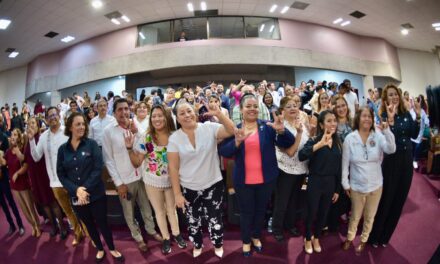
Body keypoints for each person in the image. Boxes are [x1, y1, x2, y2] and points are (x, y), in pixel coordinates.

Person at [219, 94, 294, 256]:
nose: (252, 109)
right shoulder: (235, 128)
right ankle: (246, 241)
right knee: (247, 213)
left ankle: (256, 236)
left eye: (255, 106)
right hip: (243, 181)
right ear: (241, 109)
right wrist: (237, 142)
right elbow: (224, 151)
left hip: (266, 180)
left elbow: (288, 142)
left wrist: (282, 131)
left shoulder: (268, 126)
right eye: (248, 106)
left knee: (260, 211)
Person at [168, 101, 235, 258]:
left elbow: (232, 131)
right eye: (182, 113)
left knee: (215, 218)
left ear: (195, 112)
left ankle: (217, 244)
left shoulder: (208, 128)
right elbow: (173, 168)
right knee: (193, 221)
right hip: (188, 187)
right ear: (177, 118)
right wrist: (177, 194)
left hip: (213, 184)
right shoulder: (174, 139)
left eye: (189, 111)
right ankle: (197, 244)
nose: (187, 115)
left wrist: (219, 114)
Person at [57, 112, 124, 262]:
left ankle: (112, 248)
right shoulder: (62, 150)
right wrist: (76, 190)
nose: (81, 127)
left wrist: (83, 189)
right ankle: (100, 248)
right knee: (88, 223)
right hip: (77, 197)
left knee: (102, 223)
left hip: (96, 194)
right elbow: (61, 174)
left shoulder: (91, 144)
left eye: (83, 124)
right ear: (70, 127)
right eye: (77, 124)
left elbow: (98, 168)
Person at [124, 105, 187, 255]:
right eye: (154, 116)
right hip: (152, 182)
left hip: (171, 181)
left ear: (166, 117)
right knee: (159, 212)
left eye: (160, 115)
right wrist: (129, 148)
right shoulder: (147, 137)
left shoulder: (175, 136)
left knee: (171, 210)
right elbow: (137, 162)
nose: (157, 119)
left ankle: (177, 234)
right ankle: (166, 237)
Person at [102, 98, 162, 252]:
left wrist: (137, 131)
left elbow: (147, 143)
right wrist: (118, 183)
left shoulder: (136, 126)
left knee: (146, 207)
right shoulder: (109, 131)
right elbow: (108, 160)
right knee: (129, 212)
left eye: (126, 109)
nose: (124, 112)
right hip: (125, 180)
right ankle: (138, 237)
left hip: (142, 175)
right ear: (114, 113)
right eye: (120, 110)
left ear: (130, 110)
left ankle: (151, 230)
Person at [368, 84, 422, 248]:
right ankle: (374, 236)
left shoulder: (407, 114)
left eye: (395, 94)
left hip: (406, 160)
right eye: (390, 95)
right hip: (392, 161)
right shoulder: (384, 115)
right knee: (386, 199)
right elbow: (385, 138)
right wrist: (390, 121)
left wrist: (418, 116)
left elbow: (413, 134)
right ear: (385, 99)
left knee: (399, 199)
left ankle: (385, 237)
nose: (394, 97)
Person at [341, 107, 396, 254]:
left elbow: (391, 149)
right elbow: (345, 164)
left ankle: (364, 240)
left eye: (369, 116)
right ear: (358, 118)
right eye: (364, 116)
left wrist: (387, 131)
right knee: (355, 216)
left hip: (376, 185)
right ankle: (350, 237)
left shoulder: (378, 135)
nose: (367, 119)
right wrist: (345, 184)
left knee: (370, 216)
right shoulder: (350, 138)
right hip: (357, 186)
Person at [28, 106, 86, 245]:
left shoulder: (68, 131)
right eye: (49, 116)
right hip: (55, 183)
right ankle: (78, 234)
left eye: (55, 114)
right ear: (46, 120)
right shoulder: (43, 136)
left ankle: (90, 234)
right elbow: (36, 157)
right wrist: (31, 140)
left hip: (72, 180)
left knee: (81, 209)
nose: (53, 117)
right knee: (68, 212)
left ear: (59, 115)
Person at [299, 110, 341, 254]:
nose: (333, 123)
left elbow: (339, 167)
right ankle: (308, 238)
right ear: (322, 125)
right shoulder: (314, 140)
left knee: (323, 213)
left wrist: (337, 189)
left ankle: (316, 237)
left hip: (330, 183)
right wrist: (319, 144)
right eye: (329, 121)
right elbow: (301, 155)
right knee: (311, 212)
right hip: (315, 181)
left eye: (334, 120)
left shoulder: (338, 141)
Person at [272, 96, 310, 242]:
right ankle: (277, 228)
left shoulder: (301, 124)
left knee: (294, 201)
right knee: (282, 202)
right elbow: (290, 152)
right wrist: (299, 134)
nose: (293, 108)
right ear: (282, 110)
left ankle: (290, 225)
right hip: (285, 170)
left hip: (301, 169)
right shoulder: (281, 127)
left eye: (295, 105)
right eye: (288, 106)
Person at [24, 116, 67, 237]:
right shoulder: (28, 139)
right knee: (44, 203)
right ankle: (53, 226)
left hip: (45, 174)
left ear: (38, 125)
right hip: (35, 177)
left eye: (33, 123)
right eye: (28, 124)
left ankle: (62, 226)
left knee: (53, 202)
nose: (31, 125)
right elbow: (28, 158)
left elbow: (40, 157)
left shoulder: (43, 137)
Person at [0, 128, 40, 237]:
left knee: (30, 207)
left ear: (19, 137)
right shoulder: (8, 151)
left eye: (15, 135)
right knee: (23, 208)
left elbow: (25, 164)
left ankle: (38, 225)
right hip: (14, 185)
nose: (12, 136)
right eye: (11, 134)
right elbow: (4, 163)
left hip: (23, 183)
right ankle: (33, 226)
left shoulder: (22, 149)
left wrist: (17, 173)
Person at [0, 129, 25, 236]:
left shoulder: (3, 137)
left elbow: (5, 161)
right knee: (3, 204)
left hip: (3, 177)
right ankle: (11, 225)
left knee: (11, 202)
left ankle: (20, 225)